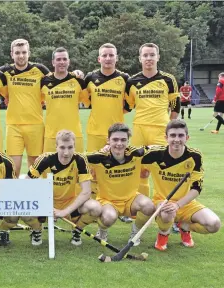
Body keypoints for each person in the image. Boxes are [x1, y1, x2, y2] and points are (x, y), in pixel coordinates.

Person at [142, 120, 221, 251]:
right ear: (166, 138)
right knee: (167, 214)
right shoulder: (154, 154)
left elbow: (197, 188)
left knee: (214, 224)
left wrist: (178, 205)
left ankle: (185, 227)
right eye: (172, 136)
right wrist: (108, 148)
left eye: (180, 135)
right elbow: (129, 153)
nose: (176, 139)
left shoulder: (194, 156)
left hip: (186, 204)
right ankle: (163, 234)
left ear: (187, 137)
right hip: (163, 202)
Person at [26, 130, 101, 246]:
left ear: (74, 146)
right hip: (47, 200)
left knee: (95, 208)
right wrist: (45, 205)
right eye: (62, 147)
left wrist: (64, 211)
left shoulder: (80, 160)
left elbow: (86, 192)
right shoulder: (45, 159)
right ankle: (37, 230)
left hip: (69, 201)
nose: (66, 152)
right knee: (25, 211)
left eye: (70, 147)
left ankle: (77, 230)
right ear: (56, 147)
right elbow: (27, 184)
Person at [125, 42, 180, 197]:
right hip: (139, 130)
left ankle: (165, 206)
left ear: (158, 57)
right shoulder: (132, 81)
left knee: (163, 169)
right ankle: (138, 208)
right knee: (139, 171)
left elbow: (175, 106)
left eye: (152, 55)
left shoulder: (169, 79)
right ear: (140, 58)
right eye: (145, 55)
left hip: (160, 129)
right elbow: (128, 105)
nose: (148, 58)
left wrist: (171, 129)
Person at [86, 123, 155, 246]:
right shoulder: (99, 157)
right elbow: (77, 158)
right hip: (108, 201)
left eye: (123, 140)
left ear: (128, 141)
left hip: (131, 199)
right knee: (108, 218)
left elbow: (157, 148)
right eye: (115, 139)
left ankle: (136, 233)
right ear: (108, 140)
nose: (119, 144)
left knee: (149, 206)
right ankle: (102, 231)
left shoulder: (136, 154)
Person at [0, 39, 51, 177]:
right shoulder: (5, 71)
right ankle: (15, 197)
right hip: (14, 125)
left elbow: (58, 81)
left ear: (29, 53)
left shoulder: (40, 70)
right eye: (17, 53)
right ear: (12, 54)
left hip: (35, 124)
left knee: (35, 169)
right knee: (13, 168)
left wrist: (76, 73)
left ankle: (35, 197)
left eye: (24, 52)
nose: (21, 56)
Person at [83, 43, 129, 152]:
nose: (108, 58)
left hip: (117, 132)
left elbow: (130, 104)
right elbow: (85, 100)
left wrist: (115, 111)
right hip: (95, 132)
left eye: (111, 55)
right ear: (99, 59)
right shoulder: (90, 78)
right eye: (104, 56)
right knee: (93, 166)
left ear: (116, 58)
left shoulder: (125, 78)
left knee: (116, 165)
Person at [40, 47, 88, 153]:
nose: (62, 62)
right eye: (58, 59)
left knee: (77, 168)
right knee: (49, 169)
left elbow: (88, 102)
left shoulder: (78, 80)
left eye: (64, 59)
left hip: (75, 134)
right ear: (53, 62)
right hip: (51, 135)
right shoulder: (44, 81)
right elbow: (37, 101)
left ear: (69, 61)